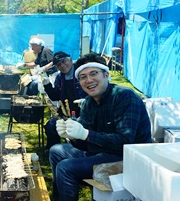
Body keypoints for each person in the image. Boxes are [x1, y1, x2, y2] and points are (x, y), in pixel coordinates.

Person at [49, 53, 151, 201]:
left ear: (106, 75)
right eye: (83, 77)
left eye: (93, 74)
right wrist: (72, 137)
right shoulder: (89, 103)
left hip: (128, 157)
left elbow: (125, 141)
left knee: (66, 167)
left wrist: (86, 134)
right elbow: (86, 145)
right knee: (56, 151)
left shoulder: (124, 96)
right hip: (102, 151)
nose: (89, 80)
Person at [41, 51, 87, 154]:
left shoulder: (82, 74)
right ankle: (54, 150)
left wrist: (86, 102)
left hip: (82, 109)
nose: (62, 65)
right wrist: (47, 84)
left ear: (70, 59)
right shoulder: (59, 77)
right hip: (65, 110)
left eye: (63, 61)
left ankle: (79, 151)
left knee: (77, 128)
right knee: (50, 126)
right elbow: (55, 97)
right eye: (58, 64)